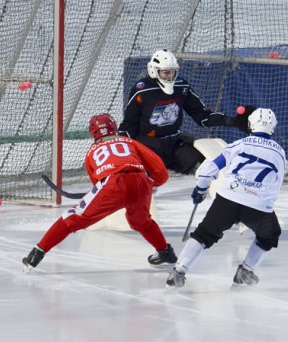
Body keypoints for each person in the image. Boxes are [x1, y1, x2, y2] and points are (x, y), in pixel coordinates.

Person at [22, 113, 178, 272]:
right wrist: (148, 184)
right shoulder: (129, 141)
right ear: (114, 127)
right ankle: (166, 253)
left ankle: (37, 253)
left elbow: (98, 184)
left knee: (73, 216)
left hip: (113, 185)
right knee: (140, 221)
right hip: (140, 182)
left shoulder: (91, 152)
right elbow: (161, 172)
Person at [165, 108, 286, 288]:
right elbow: (276, 183)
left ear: (251, 125)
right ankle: (245, 270)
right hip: (258, 206)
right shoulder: (280, 153)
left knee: (204, 234)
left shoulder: (239, 145)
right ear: (273, 127)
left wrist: (200, 189)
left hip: (229, 198)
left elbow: (208, 170)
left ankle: (179, 271)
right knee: (270, 235)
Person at [118, 49, 253, 175]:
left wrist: (232, 121)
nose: (170, 76)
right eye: (166, 72)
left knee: (206, 168)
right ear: (154, 71)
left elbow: (202, 116)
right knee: (143, 182)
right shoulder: (142, 90)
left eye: (173, 72)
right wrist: (124, 153)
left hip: (173, 143)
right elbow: (128, 125)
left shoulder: (181, 86)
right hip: (148, 146)